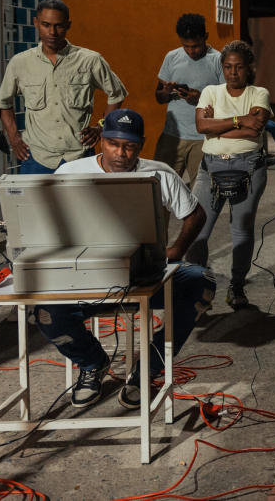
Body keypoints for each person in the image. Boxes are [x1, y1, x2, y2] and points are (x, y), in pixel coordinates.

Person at [41, 109, 216, 410]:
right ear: (102, 142)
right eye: (113, 144)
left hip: (141, 277)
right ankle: (93, 363)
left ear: (141, 145)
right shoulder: (68, 174)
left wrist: (175, 251)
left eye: (130, 146)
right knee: (44, 310)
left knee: (201, 282)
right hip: (85, 278)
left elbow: (195, 215)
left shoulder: (158, 173)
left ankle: (147, 370)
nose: (121, 153)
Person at [184, 40, 272, 309]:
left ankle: (236, 286)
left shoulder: (259, 93)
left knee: (242, 231)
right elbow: (200, 125)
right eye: (228, 67)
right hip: (210, 168)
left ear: (249, 68)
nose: (233, 72)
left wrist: (216, 128)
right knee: (196, 230)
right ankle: (200, 287)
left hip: (248, 168)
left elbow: (254, 130)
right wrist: (238, 120)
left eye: (239, 67)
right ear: (222, 67)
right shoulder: (211, 91)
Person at [0, 0, 128, 175]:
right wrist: (14, 139)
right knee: (34, 204)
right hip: (36, 157)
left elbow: (117, 94)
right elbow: (4, 102)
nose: (52, 32)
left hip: (79, 156)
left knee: (83, 203)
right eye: (46, 25)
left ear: (68, 25)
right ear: (36, 23)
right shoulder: (20, 63)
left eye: (58, 26)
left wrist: (101, 126)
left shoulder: (89, 60)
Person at [153, 13, 221, 186]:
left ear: (205, 37)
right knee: (160, 190)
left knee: (202, 194)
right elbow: (159, 97)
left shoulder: (219, 60)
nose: (191, 51)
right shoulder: (171, 57)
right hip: (172, 137)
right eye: (186, 46)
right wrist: (166, 92)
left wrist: (200, 99)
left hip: (204, 139)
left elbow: (227, 101)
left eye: (196, 46)